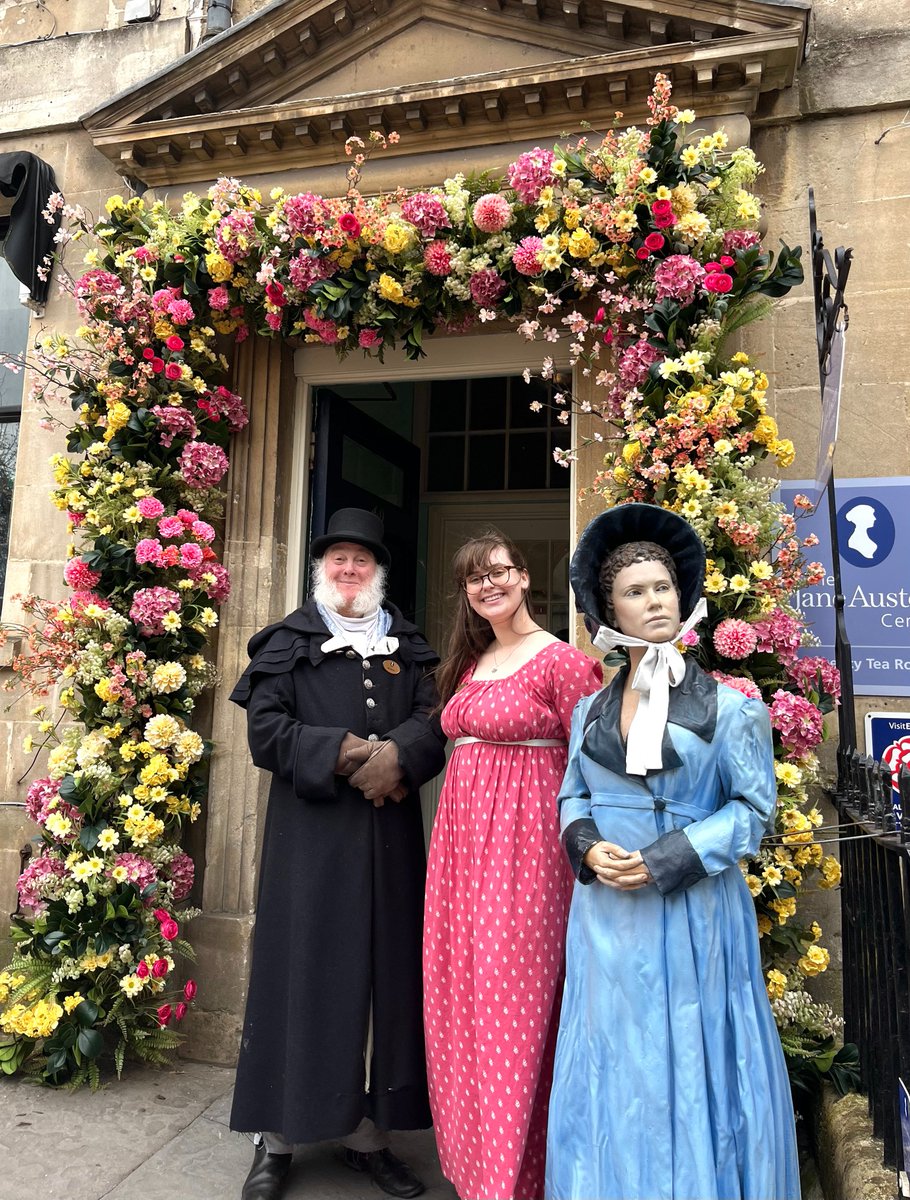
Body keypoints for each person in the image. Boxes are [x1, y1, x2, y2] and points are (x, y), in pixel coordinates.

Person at [545, 503, 801, 1200]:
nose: (653, 600)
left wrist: (665, 858)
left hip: (692, 914)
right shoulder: (588, 711)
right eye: (635, 591)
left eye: (662, 587)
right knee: (615, 1060)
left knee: (686, 1057)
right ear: (610, 611)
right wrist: (591, 850)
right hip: (605, 923)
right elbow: (572, 797)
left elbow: (752, 812)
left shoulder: (733, 708)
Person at [228, 508, 447, 1200]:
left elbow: (434, 719)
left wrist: (401, 758)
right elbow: (267, 733)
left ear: (378, 574)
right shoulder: (286, 643)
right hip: (312, 843)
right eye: (337, 561)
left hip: (389, 842)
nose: (348, 571)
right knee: (303, 974)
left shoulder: (407, 644)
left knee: (384, 979)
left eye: (361, 562)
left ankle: (365, 1130)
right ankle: (278, 1135)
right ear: (320, 571)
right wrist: (355, 755)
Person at [423, 531, 603, 1200]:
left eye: (500, 571)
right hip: (460, 856)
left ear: (525, 578)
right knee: (459, 1000)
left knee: (515, 1006)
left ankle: (516, 1180)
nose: (488, 584)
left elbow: (593, 768)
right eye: (475, 578)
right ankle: (474, 1168)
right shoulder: (472, 661)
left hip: (526, 858)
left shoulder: (561, 662)